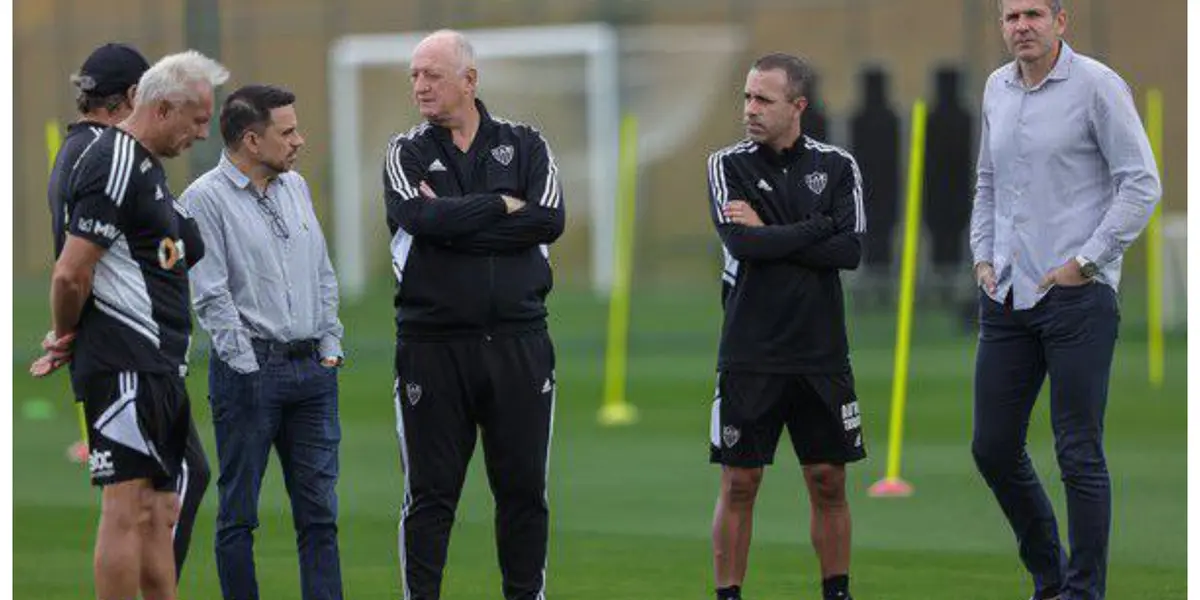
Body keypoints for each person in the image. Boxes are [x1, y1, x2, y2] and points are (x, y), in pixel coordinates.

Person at [969, 1, 1161, 599]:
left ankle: (1082, 592)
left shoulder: (1098, 86)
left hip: (1077, 298)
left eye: (1033, 14)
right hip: (1005, 295)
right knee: (993, 449)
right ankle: (1050, 576)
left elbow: (1142, 182)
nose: (1021, 26)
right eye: (1010, 17)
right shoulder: (996, 87)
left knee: (1078, 454)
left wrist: (1085, 262)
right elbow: (988, 183)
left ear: (1061, 21)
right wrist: (982, 254)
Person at [383, 29, 564, 600]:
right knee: (431, 497)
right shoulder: (404, 151)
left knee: (523, 493)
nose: (419, 86)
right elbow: (419, 220)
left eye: (431, 74)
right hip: (433, 348)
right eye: (414, 75)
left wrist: (456, 224)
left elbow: (548, 220)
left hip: (518, 343)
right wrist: (498, 206)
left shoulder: (526, 144)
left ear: (469, 80)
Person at [43, 49, 228, 600]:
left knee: (159, 512)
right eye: (197, 120)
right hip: (125, 362)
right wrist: (64, 334)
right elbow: (70, 274)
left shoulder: (144, 166)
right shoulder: (114, 158)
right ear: (162, 107)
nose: (201, 134)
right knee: (126, 510)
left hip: (158, 367)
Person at [705, 53, 866, 600]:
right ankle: (729, 594)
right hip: (750, 351)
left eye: (763, 100)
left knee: (828, 480)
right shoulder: (727, 165)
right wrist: (814, 227)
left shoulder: (838, 166)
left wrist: (776, 230)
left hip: (821, 353)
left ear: (797, 106)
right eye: (747, 97)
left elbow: (849, 250)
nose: (750, 109)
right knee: (740, 481)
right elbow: (742, 244)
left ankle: (836, 593)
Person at [182, 84, 345, 600]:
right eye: (288, 131)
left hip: (313, 373)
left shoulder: (295, 186)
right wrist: (248, 365)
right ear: (252, 140)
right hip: (251, 373)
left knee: (320, 517)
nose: (300, 140)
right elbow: (209, 295)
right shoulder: (202, 200)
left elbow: (320, 270)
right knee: (239, 517)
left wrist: (330, 344)